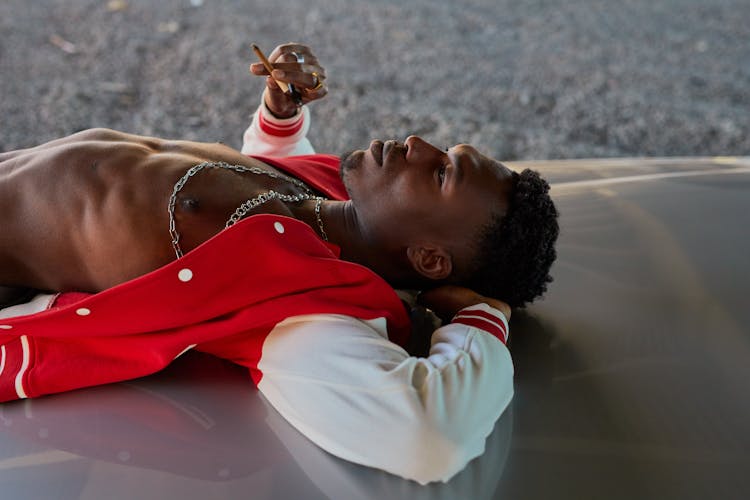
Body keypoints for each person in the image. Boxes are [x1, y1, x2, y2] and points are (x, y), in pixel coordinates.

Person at [0, 43, 558, 483]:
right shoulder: (324, 196)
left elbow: (429, 437)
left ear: (430, 258)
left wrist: (482, 317)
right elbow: (254, 177)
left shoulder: (305, 307)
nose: (418, 142)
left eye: (440, 173)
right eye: (444, 148)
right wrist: (279, 114)